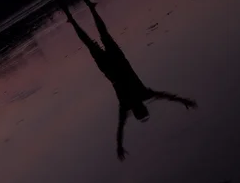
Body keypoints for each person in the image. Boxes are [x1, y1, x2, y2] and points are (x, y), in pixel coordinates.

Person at [67, 8, 197, 160]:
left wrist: (184, 101)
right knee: (95, 40)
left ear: (141, 107)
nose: (140, 106)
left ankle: (86, 12)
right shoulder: (132, 101)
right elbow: (166, 97)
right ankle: (81, 14)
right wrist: (183, 101)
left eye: (141, 108)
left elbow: (165, 97)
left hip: (113, 64)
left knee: (99, 38)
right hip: (113, 64)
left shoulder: (134, 99)